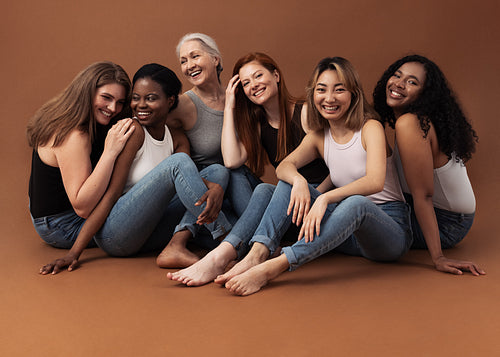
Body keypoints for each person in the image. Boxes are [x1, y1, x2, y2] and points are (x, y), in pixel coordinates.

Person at [216, 56, 414, 296]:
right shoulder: (320, 136)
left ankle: (274, 267)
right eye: (322, 90)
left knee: (355, 203)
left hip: (388, 231)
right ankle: (258, 253)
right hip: (347, 233)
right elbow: (284, 167)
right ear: (313, 95)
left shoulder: (370, 127)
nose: (329, 98)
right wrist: (299, 181)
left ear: (353, 94)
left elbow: (375, 181)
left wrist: (324, 198)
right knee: (286, 183)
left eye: (339, 90)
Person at [39, 63, 231, 274]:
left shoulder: (176, 137)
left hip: (147, 227)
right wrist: (73, 254)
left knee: (218, 172)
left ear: (170, 101)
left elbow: (187, 182)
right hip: (114, 232)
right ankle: (227, 243)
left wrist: (215, 186)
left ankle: (177, 244)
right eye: (136, 98)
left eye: (150, 98)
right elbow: (110, 196)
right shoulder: (130, 131)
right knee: (180, 164)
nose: (139, 105)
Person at [167, 53, 330, 286]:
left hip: (313, 208)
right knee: (250, 182)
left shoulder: (305, 112)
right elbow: (231, 161)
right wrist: (230, 104)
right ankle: (224, 254)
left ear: (276, 75)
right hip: (285, 206)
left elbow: (337, 168)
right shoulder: (257, 123)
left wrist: (313, 197)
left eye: (258, 76)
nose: (254, 85)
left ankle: (229, 251)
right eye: (245, 83)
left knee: (276, 187)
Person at [372, 54, 485, 276]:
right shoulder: (419, 122)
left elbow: (423, 195)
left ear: (425, 94)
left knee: (353, 216)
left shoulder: (411, 124)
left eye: (412, 82)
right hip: (445, 215)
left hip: (446, 223)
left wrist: (439, 258)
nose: (399, 84)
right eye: (397, 75)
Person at [27, 61, 134, 249]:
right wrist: (111, 151)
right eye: (106, 98)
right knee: (151, 222)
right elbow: (83, 208)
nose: (112, 108)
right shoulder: (74, 134)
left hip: (50, 217)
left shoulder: (70, 115)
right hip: (63, 226)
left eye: (120, 102)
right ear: (87, 92)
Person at [157, 33, 233, 268]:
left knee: (245, 225)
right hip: (194, 191)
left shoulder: (236, 97)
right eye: (183, 61)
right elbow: (146, 118)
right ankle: (180, 243)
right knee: (218, 170)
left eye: (195, 56)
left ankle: (221, 242)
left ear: (216, 60)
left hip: (225, 191)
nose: (189, 65)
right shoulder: (181, 104)